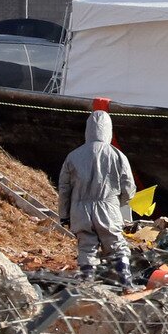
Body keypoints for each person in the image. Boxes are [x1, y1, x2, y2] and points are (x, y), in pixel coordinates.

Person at [58, 111, 137, 287]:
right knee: (117, 246)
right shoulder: (117, 155)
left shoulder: (73, 156)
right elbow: (128, 186)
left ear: (88, 130)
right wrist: (119, 203)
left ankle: (86, 284)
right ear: (109, 130)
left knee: (86, 248)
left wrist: (64, 215)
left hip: (80, 210)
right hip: (108, 207)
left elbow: (64, 189)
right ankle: (126, 283)